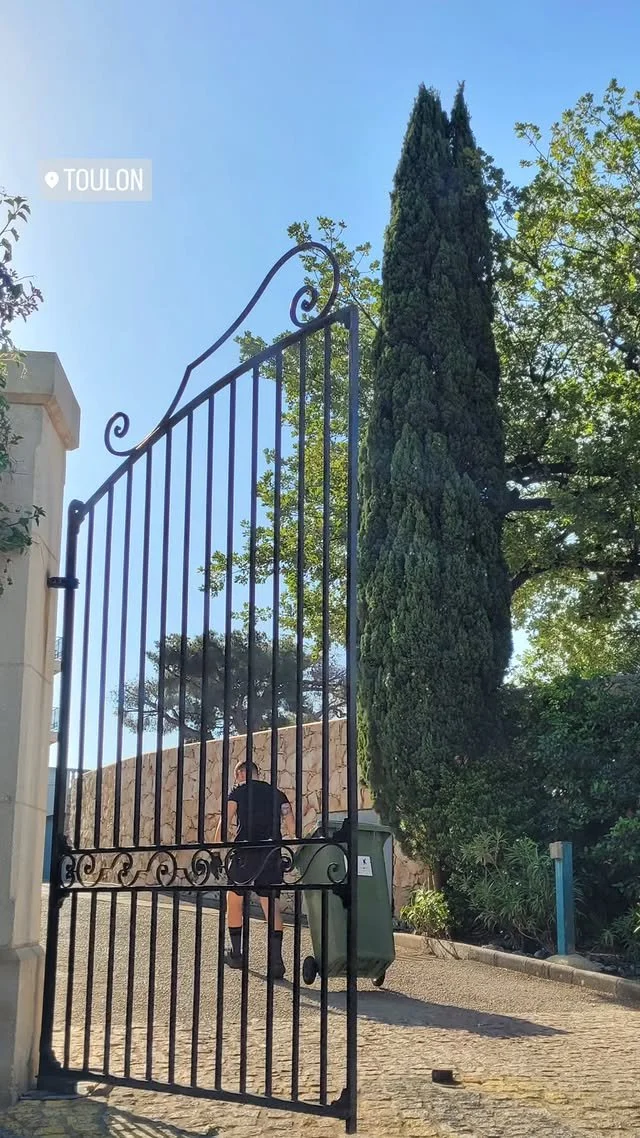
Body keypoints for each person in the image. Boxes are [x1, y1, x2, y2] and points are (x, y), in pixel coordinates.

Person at [214, 759, 295, 980]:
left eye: (235, 774)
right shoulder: (277, 793)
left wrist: (217, 844)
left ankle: (237, 954)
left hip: (245, 853)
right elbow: (291, 824)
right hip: (271, 854)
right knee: (271, 905)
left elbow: (226, 820)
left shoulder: (238, 791)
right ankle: (276, 962)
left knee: (234, 899)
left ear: (241, 773)